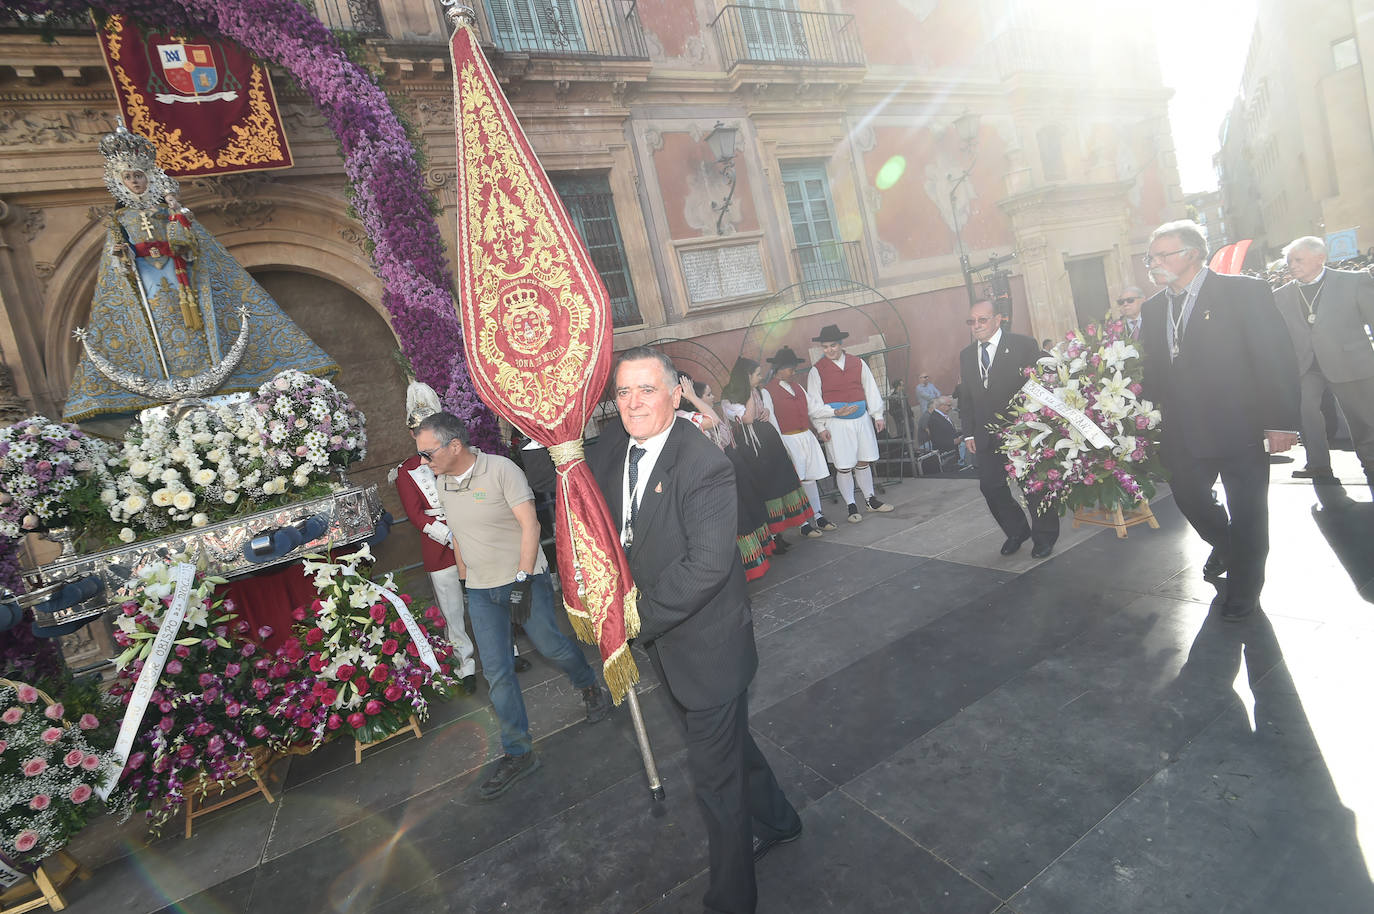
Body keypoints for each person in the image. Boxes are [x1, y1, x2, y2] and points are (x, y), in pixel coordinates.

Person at [589, 347, 802, 914]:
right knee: (732, 747)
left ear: (675, 393)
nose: (634, 403)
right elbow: (568, 481)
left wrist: (632, 621)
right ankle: (781, 819)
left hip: (709, 646)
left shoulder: (704, 463)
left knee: (715, 780)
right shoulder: (613, 450)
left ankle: (732, 900)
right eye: (623, 393)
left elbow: (707, 567)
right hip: (668, 647)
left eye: (647, 390)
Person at [65, 125, 336, 423]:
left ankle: (206, 364)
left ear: (148, 177)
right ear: (119, 182)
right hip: (148, 282)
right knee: (161, 318)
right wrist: (124, 257)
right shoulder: (119, 220)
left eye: (139, 176)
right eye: (129, 177)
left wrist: (178, 221)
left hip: (181, 277)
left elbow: (195, 248)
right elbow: (116, 268)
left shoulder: (169, 213)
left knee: (191, 318)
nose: (135, 182)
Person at [415, 412, 610, 799]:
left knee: (551, 645)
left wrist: (522, 581)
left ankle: (589, 686)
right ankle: (519, 751)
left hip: (523, 581)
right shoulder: (442, 482)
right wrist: (468, 583)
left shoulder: (501, 470)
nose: (423, 461)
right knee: (497, 673)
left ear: (454, 446)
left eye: (427, 452)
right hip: (482, 592)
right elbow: (460, 538)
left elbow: (531, 526)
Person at [1139, 220, 1300, 620]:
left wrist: (1281, 422)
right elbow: (1155, 371)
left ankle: (1246, 589)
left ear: (1192, 254)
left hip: (1241, 425)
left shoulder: (1242, 292)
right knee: (1188, 495)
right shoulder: (1153, 307)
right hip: (1183, 429)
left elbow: (1275, 355)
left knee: (1248, 510)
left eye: (1163, 255)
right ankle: (1226, 545)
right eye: (1151, 257)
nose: (1153, 264)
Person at [390, 382, 477, 695]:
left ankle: (509, 651)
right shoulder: (407, 471)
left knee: (491, 598)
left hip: (475, 536)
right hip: (440, 547)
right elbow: (416, 516)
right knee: (453, 611)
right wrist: (451, 537)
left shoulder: (462, 456)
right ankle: (465, 665)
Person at [959, 298, 1060, 558]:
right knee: (990, 487)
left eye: (982, 320)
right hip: (984, 434)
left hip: (1021, 432)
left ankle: (1044, 536)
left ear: (998, 319)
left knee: (1033, 486)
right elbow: (966, 396)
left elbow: (1043, 382)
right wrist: (968, 431)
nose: (976, 326)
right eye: (972, 321)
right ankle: (1017, 531)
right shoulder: (967, 355)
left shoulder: (1023, 345)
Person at [1273, 236, 1374, 492]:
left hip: (1350, 362)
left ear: (1320, 258)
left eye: (1298, 260)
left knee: (1362, 418)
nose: (1292, 265)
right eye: (1289, 261)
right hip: (1306, 366)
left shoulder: (1354, 281)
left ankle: (1370, 462)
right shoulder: (1280, 295)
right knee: (1306, 411)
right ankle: (1318, 463)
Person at [677, 374, 774, 580]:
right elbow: (714, 422)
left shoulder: (688, 416)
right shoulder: (681, 418)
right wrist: (694, 398)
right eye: (707, 395)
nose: (712, 397)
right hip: (706, 481)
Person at [721, 358, 814, 548]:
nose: (760, 377)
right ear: (747, 376)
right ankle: (772, 537)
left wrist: (765, 412)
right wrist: (749, 393)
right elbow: (746, 418)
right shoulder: (729, 396)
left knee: (782, 483)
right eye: (757, 374)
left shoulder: (758, 391)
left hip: (769, 444)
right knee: (765, 489)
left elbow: (760, 412)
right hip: (752, 449)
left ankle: (788, 529)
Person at [805, 325, 894, 523]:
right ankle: (851, 505)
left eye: (833, 345)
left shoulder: (857, 363)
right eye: (825, 347)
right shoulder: (816, 371)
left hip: (861, 419)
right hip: (836, 423)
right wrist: (821, 426)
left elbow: (870, 388)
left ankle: (870, 500)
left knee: (863, 460)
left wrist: (877, 415)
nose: (830, 350)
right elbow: (814, 402)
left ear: (841, 344)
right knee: (844, 466)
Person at [762, 346, 832, 536]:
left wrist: (834, 412)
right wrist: (780, 445)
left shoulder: (798, 387)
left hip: (805, 436)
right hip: (788, 438)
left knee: (810, 478)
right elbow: (772, 421)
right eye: (790, 368)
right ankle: (803, 524)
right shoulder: (768, 391)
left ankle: (818, 515)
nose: (793, 372)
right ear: (779, 369)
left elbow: (813, 408)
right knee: (796, 483)